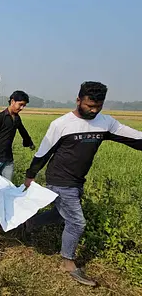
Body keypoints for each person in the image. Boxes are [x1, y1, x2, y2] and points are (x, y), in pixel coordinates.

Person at [23, 81, 142, 286]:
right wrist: (30, 175)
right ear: (78, 100)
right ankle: (67, 262)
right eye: (89, 105)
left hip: (77, 180)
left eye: (98, 106)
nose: (93, 110)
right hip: (59, 179)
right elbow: (43, 153)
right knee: (77, 222)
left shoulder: (105, 123)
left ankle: (30, 223)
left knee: (62, 215)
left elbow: (134, 138)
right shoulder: (61, 124)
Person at [0, 90, 35, 181]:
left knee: (8, 186)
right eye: (20, 104)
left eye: (24, 105)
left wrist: (29, 143)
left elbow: (22, 131)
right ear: (12, 101)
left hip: (8, 159)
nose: (22, 108)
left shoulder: (17, 118)